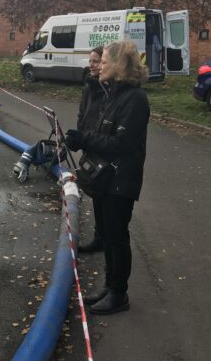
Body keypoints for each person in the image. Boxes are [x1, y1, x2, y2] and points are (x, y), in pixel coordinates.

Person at [65, 40, 150, 315]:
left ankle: (119, 293)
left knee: (116, 237)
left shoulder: (135, 99)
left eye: (104, 61)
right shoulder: (113, 93)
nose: (98, 65)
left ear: (119, 65)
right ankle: (109, 285)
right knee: (109, 236)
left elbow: (121, 144)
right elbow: (101, 131)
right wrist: (81, 140)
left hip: (120, 181)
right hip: (106, 179)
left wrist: (86, 138)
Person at [75, 46, 107, 253]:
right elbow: (82, 115)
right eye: (91, 61)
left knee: (104, 196)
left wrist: (88, 138)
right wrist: (79, 137)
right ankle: (99, 237)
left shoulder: (106, 90)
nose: (92, 64)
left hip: (101, 147)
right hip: (90, 145)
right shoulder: (89, 87)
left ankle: (105, 238)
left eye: (96, 61)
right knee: (96, 195)